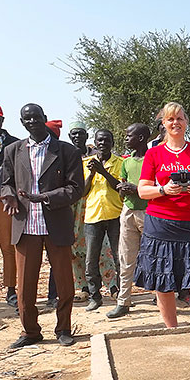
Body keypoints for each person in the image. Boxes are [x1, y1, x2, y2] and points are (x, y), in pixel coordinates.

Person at [0, 103, 84, 348]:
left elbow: (76, 188)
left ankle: (64, 328)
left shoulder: (66, 151)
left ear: (45, 119)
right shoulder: (13, 150)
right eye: (27, 119)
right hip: (25, 226)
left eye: (36, 117)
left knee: (64, 282)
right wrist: (10, 195)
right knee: (25, 286)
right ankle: (31, 332)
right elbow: (6, 183)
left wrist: (46, 197)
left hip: (55, 223)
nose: (32, 121)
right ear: (22, 122)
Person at [135, 102, 190, 328]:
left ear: (186, 122)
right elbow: (143, 190)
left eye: (180, 119)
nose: (176, 123)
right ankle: (171, 330)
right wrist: (164, 189)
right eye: (170, 119)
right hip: (160, 223)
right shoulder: (154, 153)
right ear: (163, 123)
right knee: (164, 281)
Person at [68, 122, 117, 304]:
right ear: (69, 135)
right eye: (74, 134)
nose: (77, 137)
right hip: (73, 206)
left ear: (87, 136)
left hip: (92, 206)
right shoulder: (68, 155)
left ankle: (112, 286)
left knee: (102, 249)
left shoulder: (94, 156)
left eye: (81, 133)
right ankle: (84, 288)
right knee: (75, 249)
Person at [106, 123, 150, 318]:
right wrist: (122, 188)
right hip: (129, 211)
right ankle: (123, 301)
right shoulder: (126, 162)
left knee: (154, 257)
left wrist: (137, 189)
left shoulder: (153, 159)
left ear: (140, 138)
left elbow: (158, 188)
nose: (125, 139)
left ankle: (162, 297)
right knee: (125, 257)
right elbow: (120, 185)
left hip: (150, 212)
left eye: (129, 136)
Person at [82, 129, 124, 311]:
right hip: (93, 215)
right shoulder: (85, 163)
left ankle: (122, 295)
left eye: (107, 140)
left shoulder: (120, 162)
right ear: (95, 142)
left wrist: (103, 172)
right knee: (91, 258)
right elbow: (82, 192)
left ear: (112, 143)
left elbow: (119, 188)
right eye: (99, 140)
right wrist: (92, 173)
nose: (102, 143)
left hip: (115, 214)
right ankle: (95, 295)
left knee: (119, 257)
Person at [0, 103, 19, 308]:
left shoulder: (13, 144)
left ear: (2, 120)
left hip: (1, 200)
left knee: (8, 247)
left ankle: (10, 290)